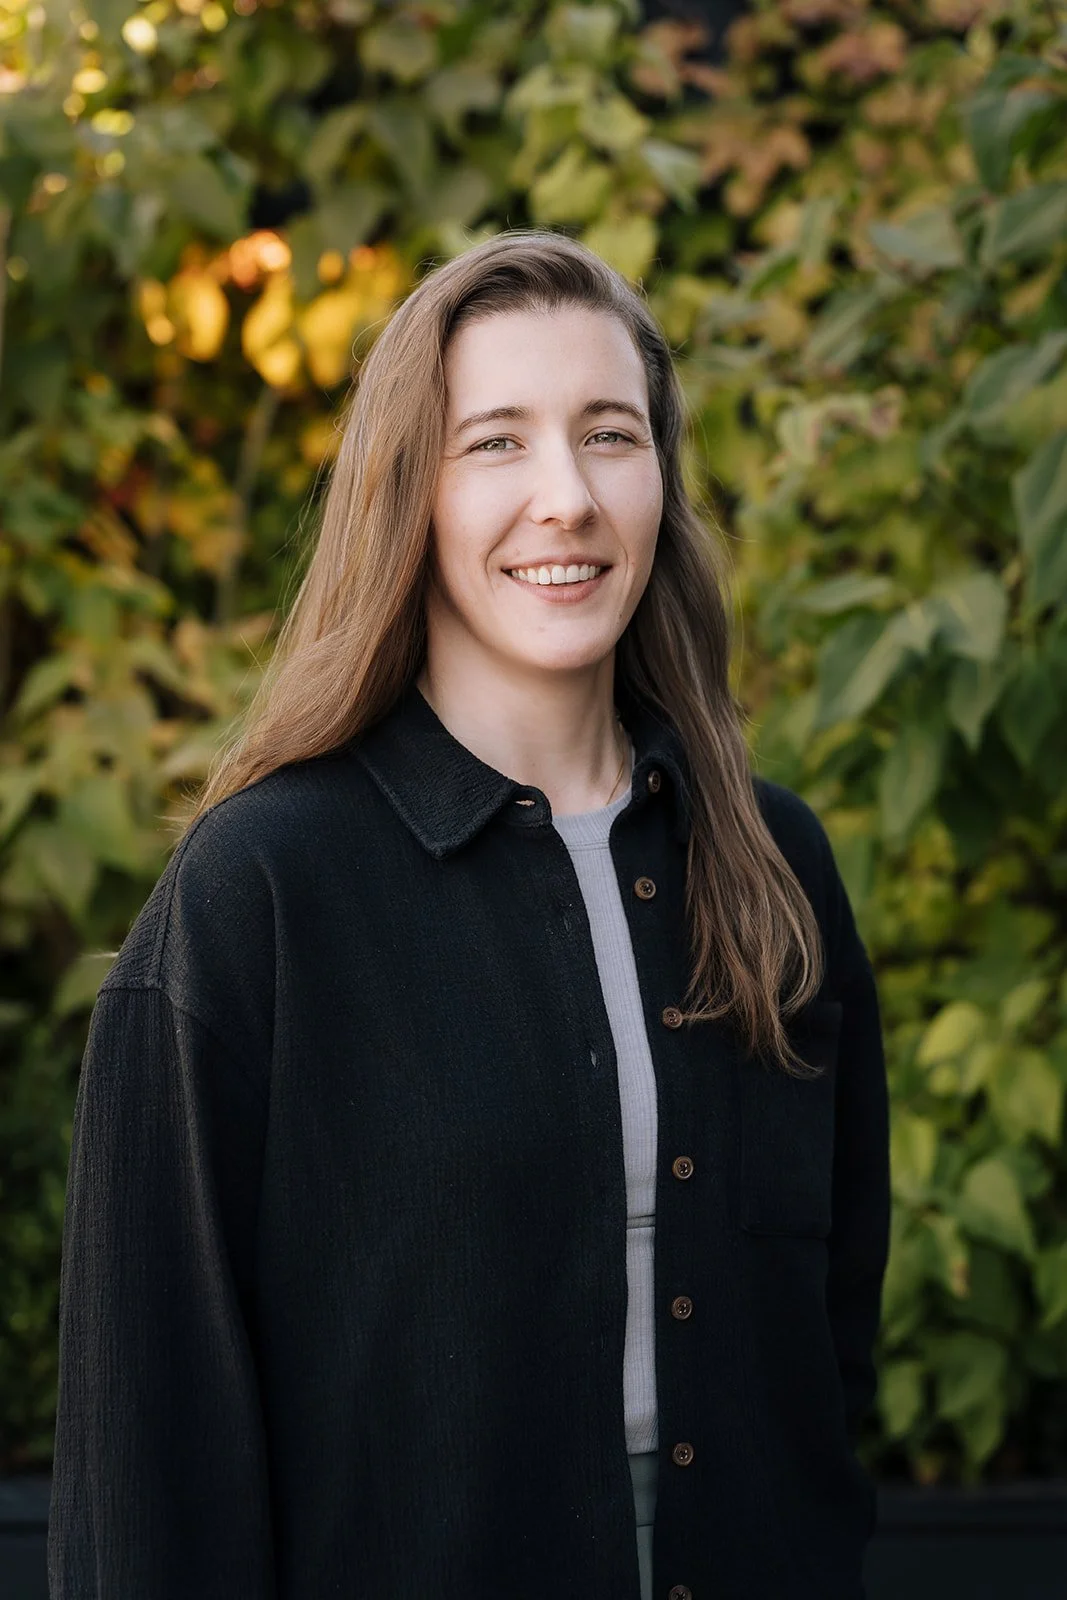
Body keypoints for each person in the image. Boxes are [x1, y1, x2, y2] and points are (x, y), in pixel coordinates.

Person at [47, 229, 890, 1600]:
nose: (565, 497)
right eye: (494, 442)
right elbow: (148, 1451)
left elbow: (826, 1343)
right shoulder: (259, 893)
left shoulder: (771, 858)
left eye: (608, 435)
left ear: (660, 481)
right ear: (408, 493)